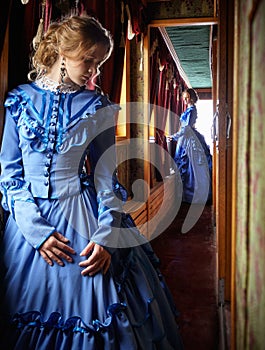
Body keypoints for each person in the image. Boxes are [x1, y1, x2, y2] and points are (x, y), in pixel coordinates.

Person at [0, 15, 184, 350]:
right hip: (27, 226)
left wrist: (107, 237)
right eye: (89, 61)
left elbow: (106, 178)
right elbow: (10, 176)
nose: (94, 72)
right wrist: (36, 233)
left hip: (84, 217)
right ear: (62, 52)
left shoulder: (97, 106)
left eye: (99, 64)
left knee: (101, 306)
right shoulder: (19, 101)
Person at [170, 88, 212, 204]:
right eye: (184, 97)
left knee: (194, 168)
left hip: (189, 138)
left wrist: (174, 136)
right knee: (188, 167)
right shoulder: (189, 109)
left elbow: (186, 128)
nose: (185, 99)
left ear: (192, 98)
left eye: (187, 97)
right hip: (187, 138)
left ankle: (195, 195)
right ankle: (187, 195)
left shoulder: (192, 109)